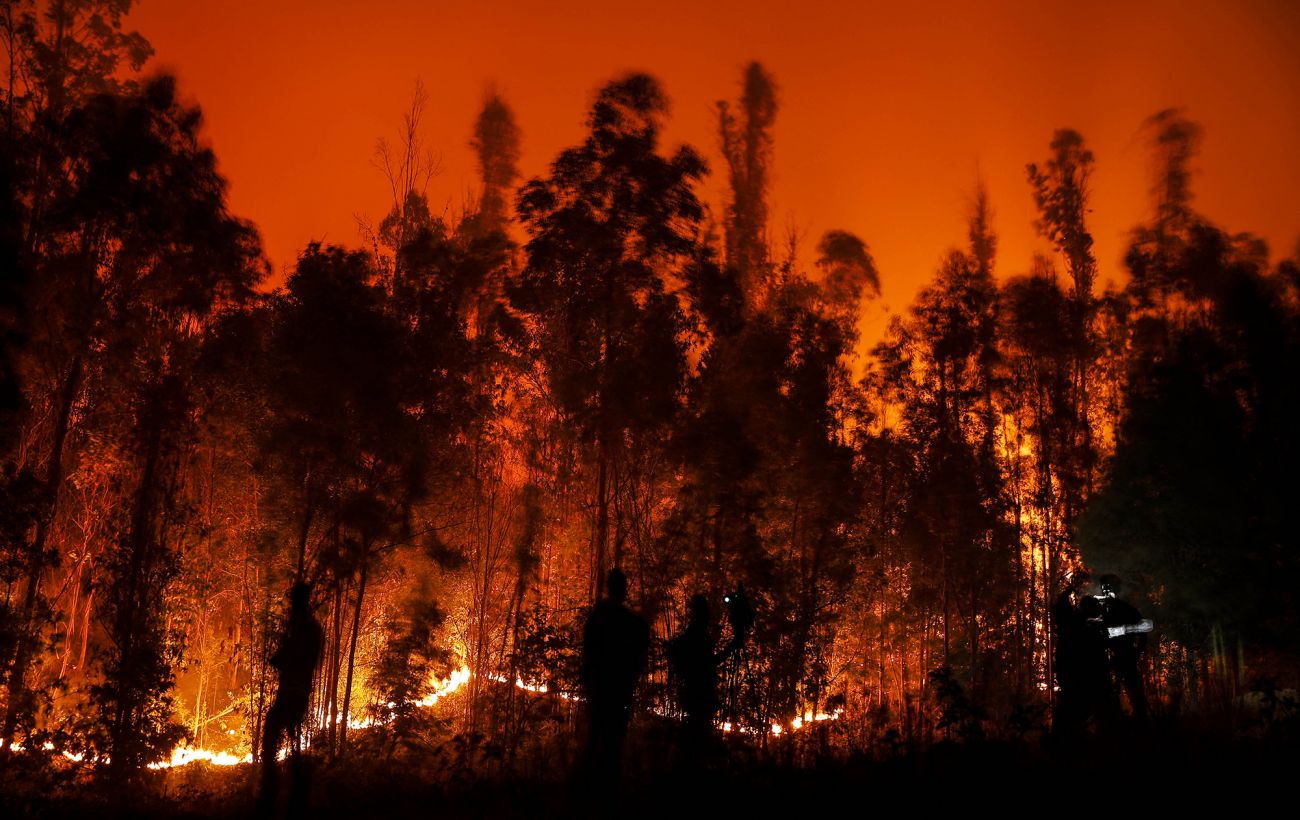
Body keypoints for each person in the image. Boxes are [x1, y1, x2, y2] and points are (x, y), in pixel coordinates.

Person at [258, 581, 324, 816]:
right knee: (291, 741)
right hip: (295, 692)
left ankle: (278, 793)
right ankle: (292, 792)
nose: (291, 606)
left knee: (277, 735)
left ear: (300, 602)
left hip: (294, 693)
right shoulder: (305, 627)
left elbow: (297, 658)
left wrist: (283, 657)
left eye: (293, 601)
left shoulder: (305, 629)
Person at [580, 568, 650, 788]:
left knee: (595, 739)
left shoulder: (597, 618)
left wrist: (588, 681)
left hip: (600, 690)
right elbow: (642, 642)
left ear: (608, 587)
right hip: (619, 693)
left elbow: (588, 654)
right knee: (613, 744)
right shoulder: (630, 622)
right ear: (624, 589)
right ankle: (607, 790)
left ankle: (586, 789)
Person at [667, 594, 740, 769]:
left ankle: (689, 769)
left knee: (696, 736)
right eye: (706, 613)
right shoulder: (697, 637)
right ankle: (694, 773)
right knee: (698, 739)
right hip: (699, 694)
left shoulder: (693, 635)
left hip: (694, 694)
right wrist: (731, 648)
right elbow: (707, 663)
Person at [1051, 569, 1113, 739]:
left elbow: (1060, 607)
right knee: (1087, 709)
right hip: (1080, 675)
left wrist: (1071, 588)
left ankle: (1067, 740)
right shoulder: (1086, 626)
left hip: (1075, 675)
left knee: (1074, 709)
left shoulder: (1075, 623)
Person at [1096, 573, 1150, 723]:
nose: (1106, 591)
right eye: (1104, 588)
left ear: (1117, 588)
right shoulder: (1100, 611)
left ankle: (1141, 723)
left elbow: (1146, 627)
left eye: (1109, 587)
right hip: (1106, 659)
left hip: (1125, 656)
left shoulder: (1126, 609)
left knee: (1134, 692)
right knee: (1106, 694)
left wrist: (1134, 651)